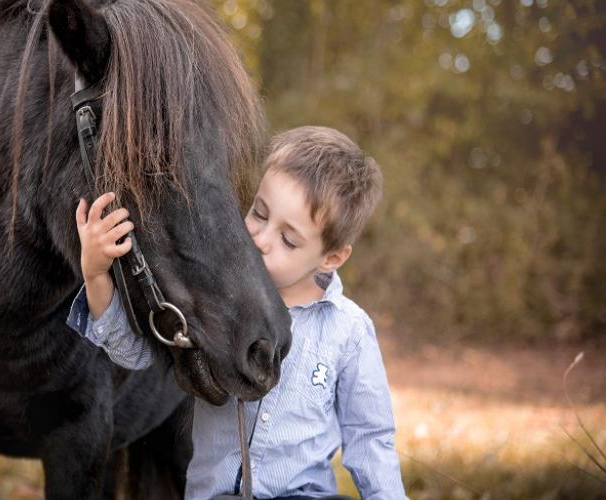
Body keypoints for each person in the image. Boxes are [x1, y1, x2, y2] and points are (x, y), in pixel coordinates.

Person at [67, 126, 406, 499]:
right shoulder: (216, 303)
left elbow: (370, 438)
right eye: (258, 214)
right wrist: (96, 273)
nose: (259, 240)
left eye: (288, 240)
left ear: (331, 257)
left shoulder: (349, 331)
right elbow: (132, 352)